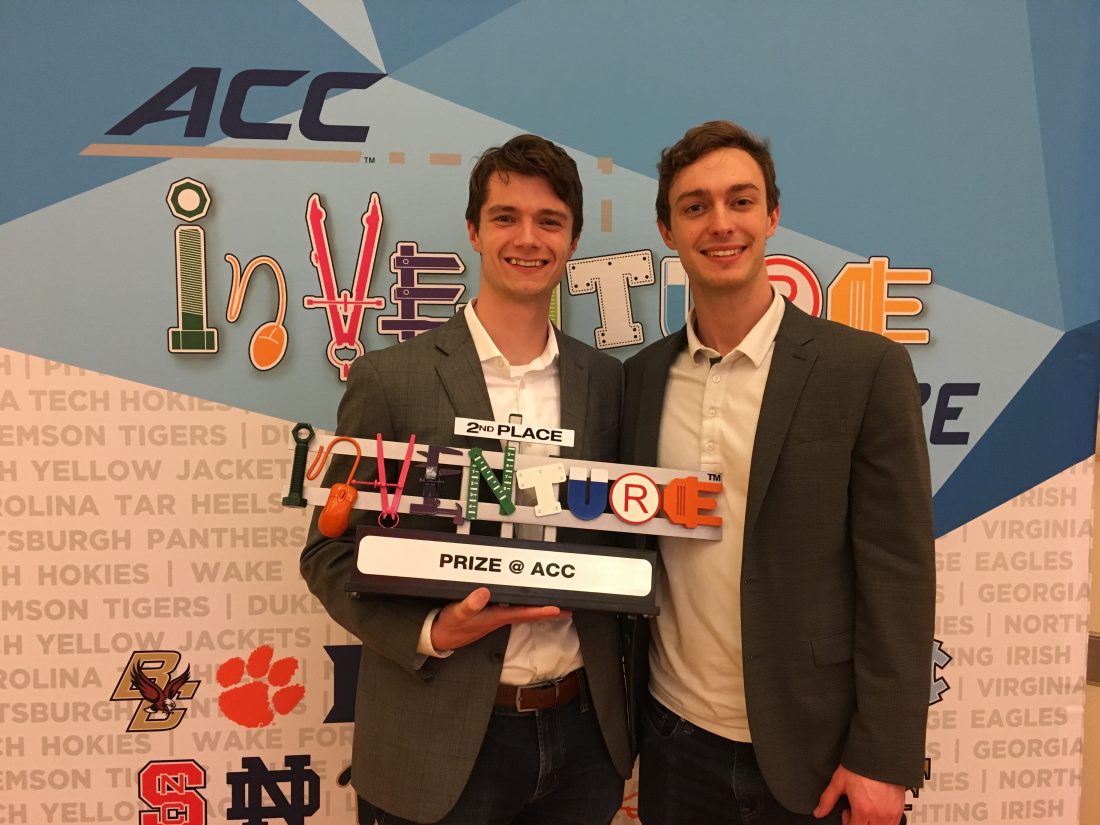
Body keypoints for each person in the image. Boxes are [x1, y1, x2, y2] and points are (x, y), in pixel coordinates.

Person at [300, 134, 631, 825]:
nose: (527, 238)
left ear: (572, 240)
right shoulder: (390, 380)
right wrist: (431, 630)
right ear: (475, 232)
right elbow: (327, 553)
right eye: (506, 217)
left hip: (583, 741)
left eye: (550, 220)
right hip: (435, 741)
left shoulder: (608, 382)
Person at [619, 121, 935, 825]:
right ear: (668, 229)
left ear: (772, 215)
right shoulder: (639, 381)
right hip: (672, 743)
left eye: (740, 200)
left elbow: (899, 575)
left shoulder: (864, 370)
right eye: (695, 206)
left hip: (815, 757)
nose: (720, 223)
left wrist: (884, 757)